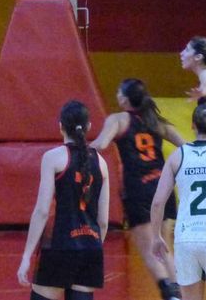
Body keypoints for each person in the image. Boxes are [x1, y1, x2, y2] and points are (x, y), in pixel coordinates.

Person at [90, 78, 183, 300]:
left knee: (150, 248)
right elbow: (184, 144)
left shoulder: (118, 119)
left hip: (139, 189)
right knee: (165, 246)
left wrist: (74, 146)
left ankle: (170, 294)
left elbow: (101, 145)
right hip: (163, 185)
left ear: (124, 98)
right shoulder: (155, 120)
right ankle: (181, 293)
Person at [17, 100, 110, 300]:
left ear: (60, 126)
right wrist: (92, 247)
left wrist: (26, 255)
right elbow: (103, 221)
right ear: (89, 127)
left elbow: (42, 211)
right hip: (91, 247)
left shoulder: (53, 158)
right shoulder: (101, 163)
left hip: (60, 246)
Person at [151, 103, 206, 300]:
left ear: (192, 125)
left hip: (186, 239)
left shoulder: (177, 156)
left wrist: (156, 236)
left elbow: (158, 202)